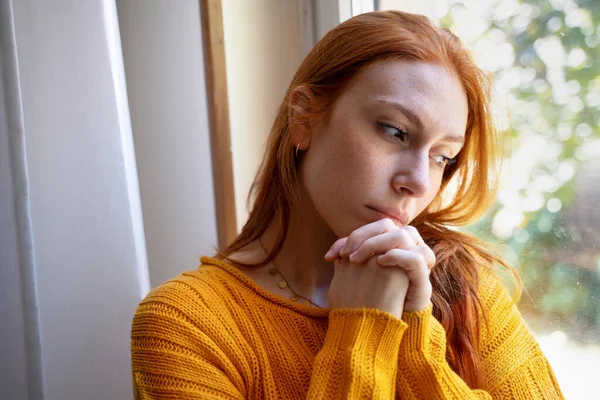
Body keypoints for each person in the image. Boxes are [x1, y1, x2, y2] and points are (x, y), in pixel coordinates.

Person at [131, 10, 564, 399]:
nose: (417, 181)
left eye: (442, 157)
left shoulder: (465, 287)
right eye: (394, 132)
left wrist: (416, 340)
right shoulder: (187, 326)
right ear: (304, 118)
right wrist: (363, 329)